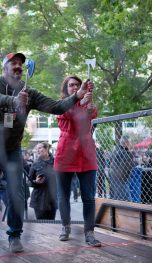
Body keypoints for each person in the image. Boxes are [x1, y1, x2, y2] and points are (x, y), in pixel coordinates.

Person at [0, 52, 92, 253]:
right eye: (13, 63)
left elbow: (56, 107)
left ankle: (15, 235)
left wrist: (76, 96)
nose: (18, 66)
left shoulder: (29, 93)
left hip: (11, 149)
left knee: (17, 193)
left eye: (20, 63)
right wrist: (14, 102)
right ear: (4, 67)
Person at [53, 75, 101, 247]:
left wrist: (88, 104)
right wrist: (80, 102)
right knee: (63, 196)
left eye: (77, 85)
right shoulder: (61, 105)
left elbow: (90, 115)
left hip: (86, 152)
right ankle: (65, 227)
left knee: (88, 196)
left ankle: (89, 233)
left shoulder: (88, 103)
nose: (74, 87)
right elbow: (68, 115)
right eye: (71, 85)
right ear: (66, 89)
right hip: (66, 153)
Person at [28, 142, 57, 220]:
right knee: (40, 225)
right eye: (37, 149)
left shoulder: (56, 162)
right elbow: (29, 182)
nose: (37, 150)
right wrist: (35, 182)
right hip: (39, 199)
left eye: (40, 148)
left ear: (46, 148)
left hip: (52, 199)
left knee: (51, 224)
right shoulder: (35, 164)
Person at [109, 136, 136, 201]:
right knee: (127, 199)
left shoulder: (115, 151)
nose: (130, 144)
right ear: (126, 143)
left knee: (116, 198)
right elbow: (130, 165)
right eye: (129, 142)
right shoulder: (125, 153)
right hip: (123, 178)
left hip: (115, 177)